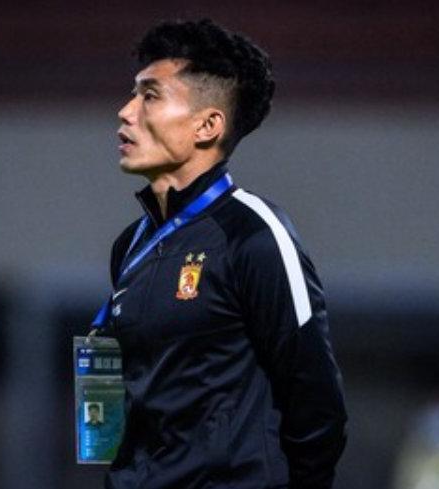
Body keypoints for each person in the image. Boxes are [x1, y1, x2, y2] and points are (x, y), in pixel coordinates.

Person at [96, 18, 347, 489]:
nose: (125, 112)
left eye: (150, 96)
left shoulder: (255, 235)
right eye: (132, 94)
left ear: (208, 125)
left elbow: (318, 407)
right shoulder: (129, 247)